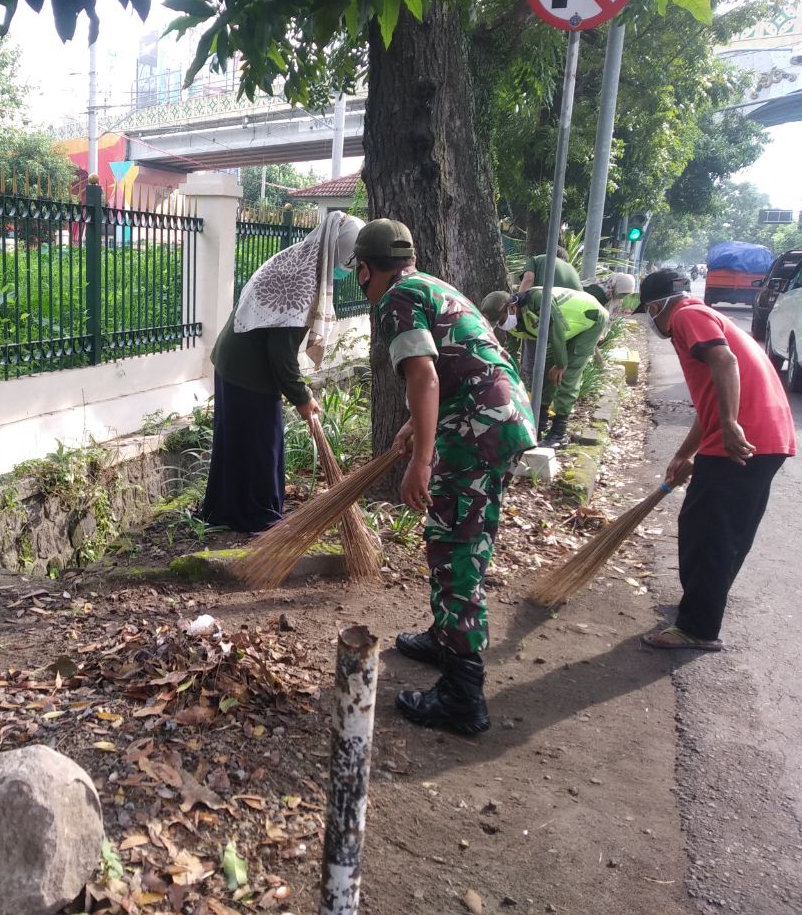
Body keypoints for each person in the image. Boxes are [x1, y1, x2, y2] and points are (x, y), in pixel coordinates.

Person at [354, 219, 536, 735]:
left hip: (474, 430)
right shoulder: (432, 285)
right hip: (497, 419)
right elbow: (458, 364)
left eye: (358, 273)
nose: (359, 282)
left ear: (365, 268)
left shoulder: (396, 300)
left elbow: (425, 374)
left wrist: (423, 460)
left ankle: (462, 694)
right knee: (464, 538)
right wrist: (417, 424)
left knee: (456, 550)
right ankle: (444, 637)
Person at [634, 269, 794, 651]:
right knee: (723, 531)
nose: (652, 322)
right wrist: (684, 453)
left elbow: (725, 362)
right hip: (764, 437)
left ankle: (697, 627)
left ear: (656, 307)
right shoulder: (704, 316)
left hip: (741, 438)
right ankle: (703, 605)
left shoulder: (688, 316)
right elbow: (708, 402)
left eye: (649, 314)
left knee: (707, 534)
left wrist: (729, 425)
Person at [199, 211, 364, 532]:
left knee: (238, 443)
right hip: (248, 368)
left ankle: (225, 512)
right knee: (263, 447)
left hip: (236, 359)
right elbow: (281, 353)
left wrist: (300, 394)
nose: (351, 270)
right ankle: (259, 519)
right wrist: (302, 397)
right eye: (352, 262)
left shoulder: (299, 259)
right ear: (341, 253)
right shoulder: (303, 279)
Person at [479, 285, 609, 448]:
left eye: (501, 320)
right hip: (564, 329)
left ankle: (558, 433)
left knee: (566, 375)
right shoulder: (512, 320)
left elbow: (556, 328)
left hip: (589, 319)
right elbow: (510, 350)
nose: (501, 325)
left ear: (511, 308)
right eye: (497, 323)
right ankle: (538, 425)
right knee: (544, 374)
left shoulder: (537, 300)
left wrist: (561, 364)